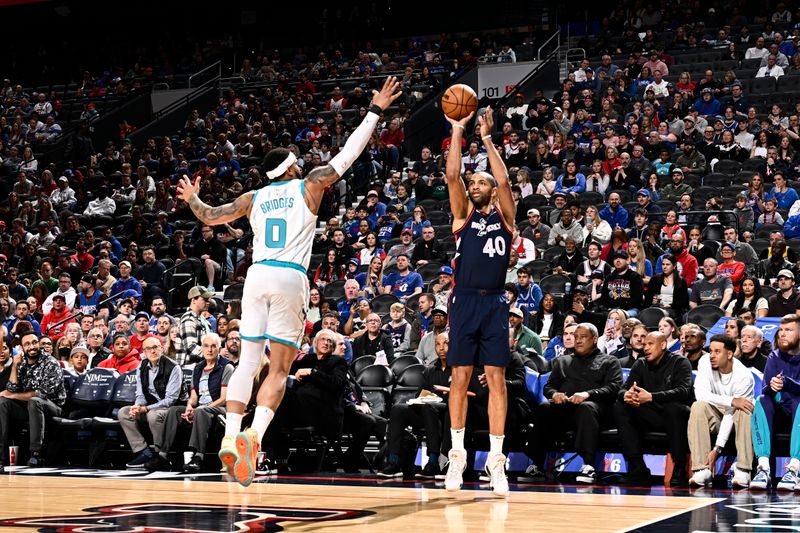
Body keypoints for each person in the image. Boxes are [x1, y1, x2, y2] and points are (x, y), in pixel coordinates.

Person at [177, 76, 401, 487]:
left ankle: (229, 436)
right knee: (278, 370)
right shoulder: (309, 184)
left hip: (256, 275)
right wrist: (375, 110)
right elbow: (348, 156)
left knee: (246, 362)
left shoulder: (254, 198)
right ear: (292, 167)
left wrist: (192, 197)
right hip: (289, 278)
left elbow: (210, 215)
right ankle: (254, 437)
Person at [442, 106, 515, 496]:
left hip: (495, 303)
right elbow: (452, 174)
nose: (474, 184)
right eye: (472, 182)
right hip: (466, 301)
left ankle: (496, 461)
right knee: (460, 377)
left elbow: (504, 181)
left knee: (497, 379)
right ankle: (457, 455)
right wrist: (457, 131)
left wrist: (486, 140)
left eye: (480, 180)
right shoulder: (461, 216)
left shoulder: (505, 216)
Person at [525, 323, 623, 484]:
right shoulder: (562, 361)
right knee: (544, 408)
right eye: (576, 337)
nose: (577, 341)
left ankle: (588, 466)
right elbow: (549, 386)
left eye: (583, 337)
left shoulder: (609, 361)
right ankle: (536, 464)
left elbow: (614, 387)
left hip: (597, 411)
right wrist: (554, 394)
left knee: (586, 408)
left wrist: (588, 394)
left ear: (595, 339)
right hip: (566, 410)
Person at [613, 332, 693, 486]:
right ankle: (638, 467)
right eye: (644, 345)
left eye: (650, 344)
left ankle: (679, 467)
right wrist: (627, 395)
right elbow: (623, 389)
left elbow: (682, 392)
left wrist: (651, 397)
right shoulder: (640, 364)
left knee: (673, 408)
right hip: (650, 415)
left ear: (662, 345)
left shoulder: (680, 362)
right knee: (620, 405)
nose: (646, 348)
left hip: (675, 416)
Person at [146, 333, 233, 472]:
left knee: (200, 411)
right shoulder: (198, 368)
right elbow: (193, 396)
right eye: (206, 346)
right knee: (174, 411)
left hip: (221, 410)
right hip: (201, 409)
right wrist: (189, 407)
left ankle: (198, 457)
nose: (209, 350)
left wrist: (200, 409)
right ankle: (163, 455)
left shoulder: (226, 367)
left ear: (219, 348)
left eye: (213, 346)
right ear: (202, 348)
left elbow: (224, 399)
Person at [378, 331, 451, 478]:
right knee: (398, 408)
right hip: (428, 409)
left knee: (428, 408)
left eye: (445, 344)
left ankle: (433, 462)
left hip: (449, 412)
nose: (441, 348)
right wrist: (427, 397)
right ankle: (394, 461)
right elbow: (420, 394)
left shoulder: (459, 369)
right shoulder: (429, 369)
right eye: (437, 344)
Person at [688, 334, 755, 488]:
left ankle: (743, 470)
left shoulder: (744, 376)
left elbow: (730, 414)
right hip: (718, 411)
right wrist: (731, 400)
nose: (712, 356)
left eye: (717, 352)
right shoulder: (704, 362)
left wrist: (717, 449)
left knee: (745, 407)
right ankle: (702, 469)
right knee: (698, 406)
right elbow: (701, 395)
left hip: (735, 417)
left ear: (730, 354)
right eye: (710, 351)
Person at [0, 331, 66, 470]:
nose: (32, 346)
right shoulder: (21, 363)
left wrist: (14, 396)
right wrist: (14, 367)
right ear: (22, 348)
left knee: (35, 401)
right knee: (3, 403)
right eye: (27, 344)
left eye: (34, 342)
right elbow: (11, 388)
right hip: (28, 407)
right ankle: (1, 456)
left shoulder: (51, 362)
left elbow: (42, 394)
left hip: (52, 407)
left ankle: (35, 454)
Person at [751, 314, 800, 490]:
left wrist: (787, 383)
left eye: (788, 330)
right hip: (781, 410)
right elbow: (765, 389)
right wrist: (772, 386)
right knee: (761, 400)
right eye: (781, 330)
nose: (782, 334)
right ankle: (763, 468)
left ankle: (795, 469)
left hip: (798, 410)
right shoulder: (774, 356)